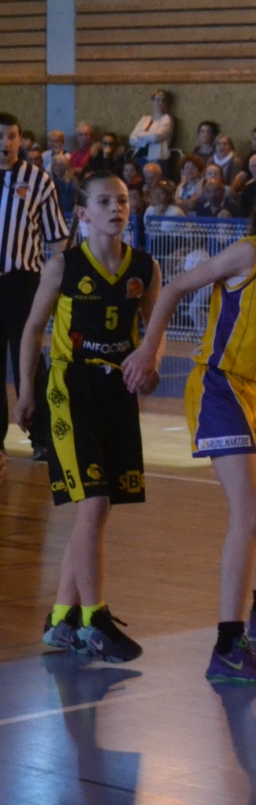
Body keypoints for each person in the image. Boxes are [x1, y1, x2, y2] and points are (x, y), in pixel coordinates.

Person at [121, 176, 256, 684]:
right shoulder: (249, 253)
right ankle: (228, 647)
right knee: (251, 510)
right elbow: (174, 287)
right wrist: (149, 349)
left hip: (252, 391)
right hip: (218, 386)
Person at [17, 172, 160, 662]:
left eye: (122, 200)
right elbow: (33, 328)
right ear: (82, 213)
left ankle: (62, 619)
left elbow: (153, 331)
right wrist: (25, 392)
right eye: (104, 201)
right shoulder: (64, 265)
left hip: (116, 392)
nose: (117, 208)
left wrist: (151, 363)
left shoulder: (144, 267)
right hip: (70, 389)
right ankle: (93, 619)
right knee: (94, 504)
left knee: (95, 511)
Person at [1, 112, 71, 463]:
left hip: (22, 281)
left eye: (12, 136)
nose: (6, 142)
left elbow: (56, 236)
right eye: (0, 136)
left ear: (20, 139)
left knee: (28, 360)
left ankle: (42, 437)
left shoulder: (38, 179)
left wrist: (61, 281)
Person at [127, 90, 175, 171]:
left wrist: (140, 135)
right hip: (140, 157)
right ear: (153, 102)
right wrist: (146, 140)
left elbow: (156, 137)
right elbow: (132, 139)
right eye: (158, 100)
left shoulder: (167, 119)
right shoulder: (145, 119)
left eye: (163, 101)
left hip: (157, 159)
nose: (160, 103)